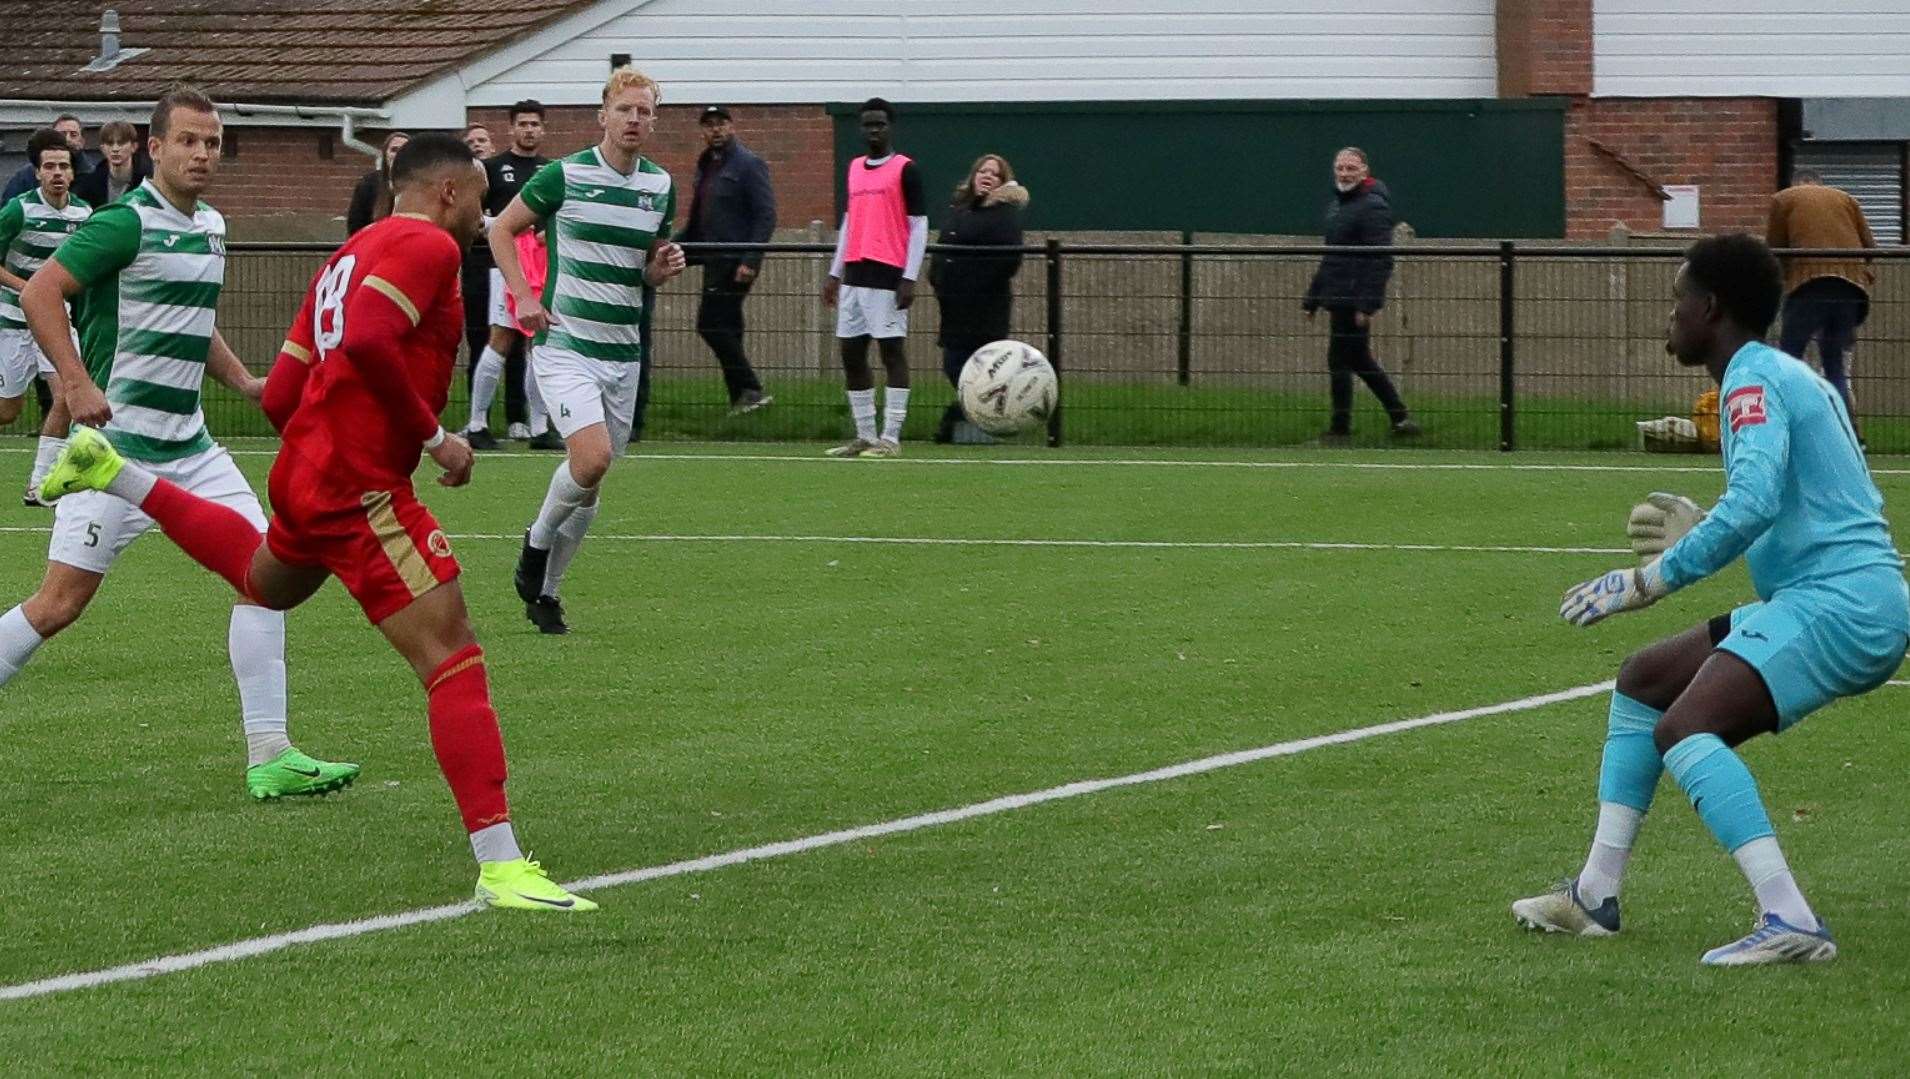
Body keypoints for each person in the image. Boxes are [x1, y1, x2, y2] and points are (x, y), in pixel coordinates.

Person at [38, 132, 597, 912]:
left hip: (306, 468)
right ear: (445, 193)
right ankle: (501, 862)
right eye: (478, 196)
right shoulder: (425, 247)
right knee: (454, 654)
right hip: (360, 485)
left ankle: (114, 473)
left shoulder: (348, 254)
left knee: (263, 577)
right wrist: (435, 437)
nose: (486, 211)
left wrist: (323, 441)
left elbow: (279, 395)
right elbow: (369, 339)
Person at [1525, 234, 1908, 965]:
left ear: (1710, 308)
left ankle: (1788, 914)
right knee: (1644, 680)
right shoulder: (1778, 374)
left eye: (1678, 301)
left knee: (1684, 727)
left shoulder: (1752, 382)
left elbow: (1757, 501)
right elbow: (1799, 505)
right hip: (1839, 595)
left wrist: (1645, 581)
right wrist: (1703, 525)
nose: (1670, 317)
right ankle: (1593, 894)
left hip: (1841, 604)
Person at [5, 87, 358, 800]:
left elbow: (195, 325)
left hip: (193, 450)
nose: (202, 154)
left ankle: (270, 752)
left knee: (269, 575)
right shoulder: (123, 224)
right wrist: (73, 382)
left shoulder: (212, 226)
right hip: (114, 453)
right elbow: (40, 291)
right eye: (189, 140)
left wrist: (246, 383)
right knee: (57, 606)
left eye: (213, 142)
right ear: (154, 147)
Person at [491, 68, 685, 634]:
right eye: (624, 109)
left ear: (654, 119)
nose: (634, 120)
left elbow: (643, 270)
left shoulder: (658, 186)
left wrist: (659, 269)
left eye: (644, 111)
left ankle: (547, 592)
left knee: (590, 482)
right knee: (592, 458)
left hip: (623, 353)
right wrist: (524, 296)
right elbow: (500, 229)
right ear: (602, 114)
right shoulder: (564, 175)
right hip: (566, 345)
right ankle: (536, 542)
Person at [822, 98, 926, 458]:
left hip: (887, 272)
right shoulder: (853, 168)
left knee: (891, 352)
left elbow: (918, 225)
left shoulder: (905, 169)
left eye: (880, 124)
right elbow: (851, 220)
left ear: (890, 126)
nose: (874, 130)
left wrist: (909, 276)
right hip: (855, 272)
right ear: (860, 128)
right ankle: (864, 435)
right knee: (851, 353)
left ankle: (891, 438)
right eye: (868, 124)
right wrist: (836, 272)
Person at [1302, 147, 1417, 443]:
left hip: (1352, 298)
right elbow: (1331, 257)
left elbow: (1381, 259)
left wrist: (1367, 304)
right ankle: (1400, 418)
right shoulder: (1338, 206)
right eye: (1340, 168)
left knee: (1341, 361)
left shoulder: (1373, 207)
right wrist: (1313, 298)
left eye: (1351, 168)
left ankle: (1340, 429)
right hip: (1338, 296)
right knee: (1358, 360)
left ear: (1364, 171)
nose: (1344, 173)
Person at [0, 129, 89, 502]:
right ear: (36, 172)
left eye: (63, 166)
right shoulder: (18, 209)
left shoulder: (84, 214)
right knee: (8, 411)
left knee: (68, 394)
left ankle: (39, 485)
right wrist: (31, 291)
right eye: (49, 166)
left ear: (72, 173)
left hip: (56, 321)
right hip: (14, 320)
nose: (56, 173)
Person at [679, 105, 776, 415]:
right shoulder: (707, 164)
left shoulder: (748, 164)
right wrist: (675, 246)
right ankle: (742, 400)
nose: (715, 130)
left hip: (734, 259)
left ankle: (750, 387)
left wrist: (751, 258)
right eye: (709, 125)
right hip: (710, 254)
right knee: (728, 326)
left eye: (721, 124)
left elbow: (765, 214)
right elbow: (699, 217)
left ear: (732, 127)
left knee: (711, 325)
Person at [467, 100, 551, 449]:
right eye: (523, 123)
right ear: (511, 128)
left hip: (545, 267)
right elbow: (471, 214)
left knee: (540, 343)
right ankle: (476, 424)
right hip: (506, 268)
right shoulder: (491, 168)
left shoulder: (552, 170)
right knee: (500, 339)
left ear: (543, 129)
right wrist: (492, 227)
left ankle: (540, 428)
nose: (529, 129)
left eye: (534, 124)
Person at [1766, 169, 1876, 433]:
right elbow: (1870, 245)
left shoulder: (1783, 199)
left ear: (1796, 183)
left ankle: (1785, 427)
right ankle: (1847, 433)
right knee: (1834, 364)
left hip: (1808, 285)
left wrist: (1781, 280)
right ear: (1819, 183)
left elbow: (1774, 248)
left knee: (1790, 358)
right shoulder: (1846, 199)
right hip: (1849, 288)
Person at [929, 153, 1028, 444]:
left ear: (1002, 181)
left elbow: (1008, 262)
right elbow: (943, 250)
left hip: (985, 308)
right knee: (953, 363)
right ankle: (972, 415)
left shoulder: (1004, 218)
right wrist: (937, 278)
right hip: (953, 307)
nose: (987, 176)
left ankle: (962, 417)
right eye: (982, 171)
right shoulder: (960, 211)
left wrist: (974, 284)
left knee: (978, 368)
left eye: (994, 174)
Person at [458, 122, 497, 445]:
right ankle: (477, 421)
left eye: (482, 140)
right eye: (471, 141)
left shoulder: (500, 178)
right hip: (479, 274)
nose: (477, 145)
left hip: (518, 272)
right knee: (488, 343)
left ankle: (533, 424)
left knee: (525, 347)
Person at [2, 115, 92, 204]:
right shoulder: (26, 175)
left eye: (73, 135)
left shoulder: (92, 176)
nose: (67, 139)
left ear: (82, 141)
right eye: (62, 134)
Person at [73, 121, 151, 208]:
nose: (115, 149)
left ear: (134, 147)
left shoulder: (147, 183)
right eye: (110, 143)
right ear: (102, 149)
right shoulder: (89, 184)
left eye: (121, 143)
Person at [346, 131, 409, 236]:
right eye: (394, 150)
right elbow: (356, 226)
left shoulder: (421, 185)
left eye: (404, 150)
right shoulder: (369, 184)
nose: (399, 154)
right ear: (385, 154)